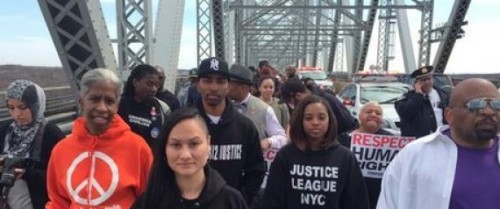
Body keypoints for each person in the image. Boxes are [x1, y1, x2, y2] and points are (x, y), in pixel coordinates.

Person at [377, 78, 500, 209]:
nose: (488, 111)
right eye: (476, 105)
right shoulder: (414, 155)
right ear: (449, 115)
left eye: (496, 105)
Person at [46, 68, 153, 208]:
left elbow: (151, 200)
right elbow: (58, 202)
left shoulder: (137, 147)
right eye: (95, 99)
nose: (102, 108)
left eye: (109, 101)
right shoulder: (61, 150)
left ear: (117, 106)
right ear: (81, 102)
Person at [263, 95, 370, 209]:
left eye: (321, 117)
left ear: (330, 121)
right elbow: (272, 200)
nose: (315, 122)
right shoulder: (285, 155)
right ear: (300, 121)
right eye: (308, 118)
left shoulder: (345, 157)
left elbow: (356, 201)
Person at [132, 108, 248, 209]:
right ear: (165, 148)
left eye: (194, 144)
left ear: (208, 143)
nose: (185, 155)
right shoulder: (149, 202)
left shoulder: (232, 201)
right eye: (176, 145)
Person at [195, 57, 266, 205]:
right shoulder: (182, 125)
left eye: (220, 81)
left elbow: (256, 171)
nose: (214, 87)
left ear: (228, 86)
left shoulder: (245, 127)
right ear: (198, 85)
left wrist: (239, 201)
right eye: (207, 80)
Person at [227, 64, 288, 209]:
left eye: (230, 84)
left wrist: (268, 141)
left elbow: (282, 137)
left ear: (243, 86)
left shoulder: (263, 109)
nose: (226, 87)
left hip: (251, 177)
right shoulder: (221, 106)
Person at [0, 80, 64, 209]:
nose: (17, 114)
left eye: (22, 107)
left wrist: (27, 173)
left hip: (37, 202)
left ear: (36, 105)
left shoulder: (50, 133)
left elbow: (63, 176)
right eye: (11, 108)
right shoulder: (4, 129)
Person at [337, 102, 393, 209]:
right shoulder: (343, 139)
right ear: (359, 116)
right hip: (351, 196)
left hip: (378, 197)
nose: (373, 114)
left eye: (378, 113)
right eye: (368, 112)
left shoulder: (391, 140)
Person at [280, 78, 357, 134]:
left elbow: (348, 124)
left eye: (289, 101)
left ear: (298, 95)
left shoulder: (326, 101)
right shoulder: (305, 104)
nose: (290, 105)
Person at [118, 64, 170, 148]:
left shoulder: (162, 108)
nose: (154, 89)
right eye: (149, 84)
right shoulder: (118, 105)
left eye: (156, 85)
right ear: (135, 82)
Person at [395, 66, 438, 138]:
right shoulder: (406, 98)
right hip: (417, 142)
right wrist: (418, 95)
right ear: (416, 83)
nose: (427, 82)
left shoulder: (441, 95)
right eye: (423, 80)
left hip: (438, 140)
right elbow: (406, 112)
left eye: (429, 78)